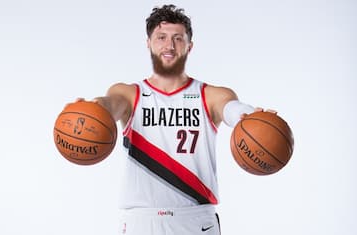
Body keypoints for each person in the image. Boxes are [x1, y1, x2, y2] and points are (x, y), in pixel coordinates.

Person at [76, 4, 268, 235]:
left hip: (196, 221)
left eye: (178, 38)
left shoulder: (211, 95)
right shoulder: (128, 93)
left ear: (190, 46)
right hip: (141, 222)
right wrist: (94, 106)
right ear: (148, 43)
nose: (169, 45)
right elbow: (110, 104)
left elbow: (231, 109)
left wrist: (248, 114)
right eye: (161, 37)